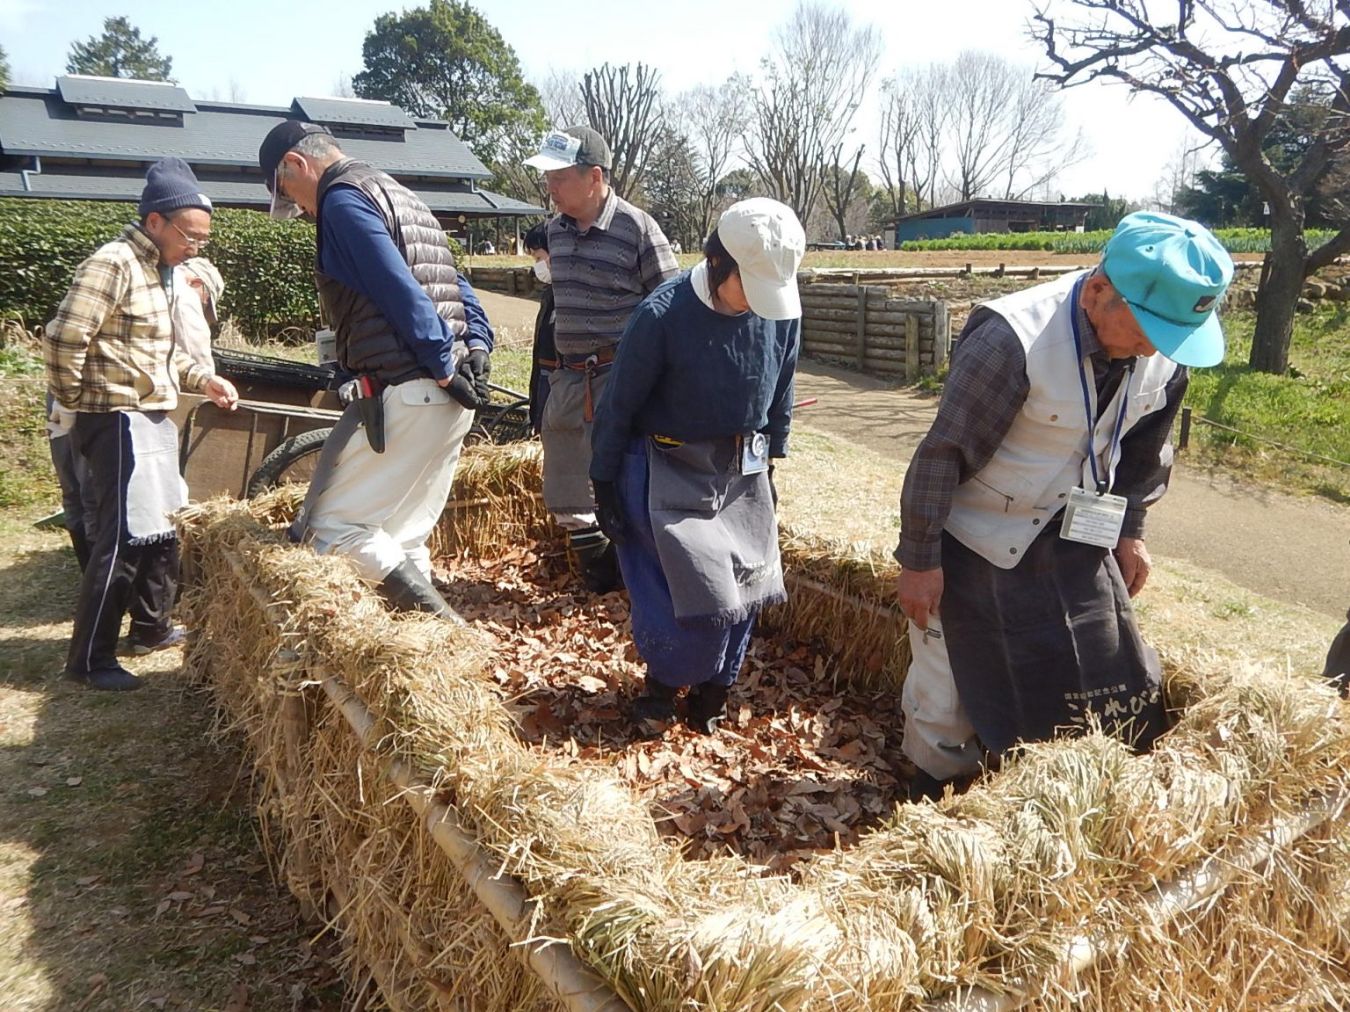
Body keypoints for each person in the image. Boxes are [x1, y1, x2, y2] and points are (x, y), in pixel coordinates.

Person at [895, 211, 1235, 798]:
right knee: (951, 677)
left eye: (1171, 334)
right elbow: (941, 455)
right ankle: (933, 788)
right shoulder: (1013, 338)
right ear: (1099, 291)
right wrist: (920, 561)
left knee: (1100, 655)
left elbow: (1146, 449)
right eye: (1147, 327)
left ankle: (1047, 782)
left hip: (1080, 529)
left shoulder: (1166, 346)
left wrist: (1131, 529)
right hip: (980, 531)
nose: (1155, 346)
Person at [258, 120, 493, 618]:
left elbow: (396, 287)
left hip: (411, 388)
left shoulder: (342, 199)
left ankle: (447, 630)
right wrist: (477, 349)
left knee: (332, 529)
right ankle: (429, 658)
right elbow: (456, 286)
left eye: (289, 195)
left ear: (296, 165)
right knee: (403, 537)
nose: (299, 209)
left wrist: (443, 364)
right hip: (447, 395)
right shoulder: (398, 193)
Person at [589, 198, 805, 734]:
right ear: (717, 264)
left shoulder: (778, 313)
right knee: (683, 587)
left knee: (750, 582)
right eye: (747, 289)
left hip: (741, 462)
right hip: (666, 462)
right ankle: (663, 685)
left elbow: (781, 388)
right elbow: (619, 404)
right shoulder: (661, 316)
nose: (757, 304)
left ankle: (716, 686)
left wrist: (772, 458)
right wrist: (604, 481)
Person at [45, 157, 241, 691]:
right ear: (155, 221)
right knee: (122, 538)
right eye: (190, 236)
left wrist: (204, 380)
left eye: (203, 239)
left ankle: (151, 629)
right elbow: (64, 337)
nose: (196, 247)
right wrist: (76, 405)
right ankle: (89, 660)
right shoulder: (113, 263)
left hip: (149, 417)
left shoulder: (163, 272)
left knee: (161, 526)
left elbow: (163, 354)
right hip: (113, 420)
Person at [523, 126, 679, 592]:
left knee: (629, 480)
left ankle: (641, 581)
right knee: (567, 487)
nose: (550, 186)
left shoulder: (638, 229)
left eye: (559, 176)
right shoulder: (555, 231)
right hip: (570, 380)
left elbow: (671, 306)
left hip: (621, 378)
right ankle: (599, 579)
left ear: (594, 177)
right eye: (547, 176)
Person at [524, 220, 555, 435]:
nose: (538, 265)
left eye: (538, 258)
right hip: (544, 371)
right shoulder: (550, 292)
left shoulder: (567, 292)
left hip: (555, 377)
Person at [172, 256, 224, 372]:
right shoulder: (185, 295)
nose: (204, 306)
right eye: (207, 300)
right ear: (197, 283)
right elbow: (197, 356)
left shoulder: (156, 274)